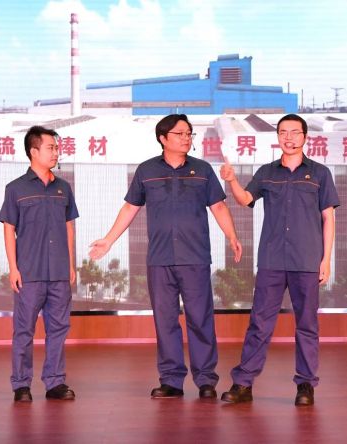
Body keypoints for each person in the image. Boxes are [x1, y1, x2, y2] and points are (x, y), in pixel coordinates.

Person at [89, 114, 242, 399]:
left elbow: (219, 207)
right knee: (165, 321)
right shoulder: (147, 171)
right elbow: (130, 208)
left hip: (195, 257)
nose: (186, 138)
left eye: (189, 133)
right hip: (159, 259)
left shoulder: (202, 170)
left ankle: (206, 380)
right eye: (180, 133)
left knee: (200, 319)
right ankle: (171, 380)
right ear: (163, 138)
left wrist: (232, 236)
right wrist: (108, 241)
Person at [219, 113, 339, 406]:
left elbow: (329, 218)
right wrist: (232, 181)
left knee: (307, 324)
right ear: (277, 137)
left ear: (305, 137)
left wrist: (326, 260)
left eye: (295, 132)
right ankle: (243, 383)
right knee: (260, 322)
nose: (289, 138)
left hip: (306, 259)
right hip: (272, 259)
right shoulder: (267, 172)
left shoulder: (320, 173)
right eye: (283, 132)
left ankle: (306, 384)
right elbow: (245, 199)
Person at [0, 125, 79, 402]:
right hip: (29, 272)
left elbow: (69, 227)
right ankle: (21, 384)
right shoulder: (16, 189)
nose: (56, 152)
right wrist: (13, 267)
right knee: (24, 330)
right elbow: (9, 228)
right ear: (34, 151)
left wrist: (70, 265)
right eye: (50, 148)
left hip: (58, 272)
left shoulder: (63, 188)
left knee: (58, 329)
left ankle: (55, 382)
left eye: (57, 148)